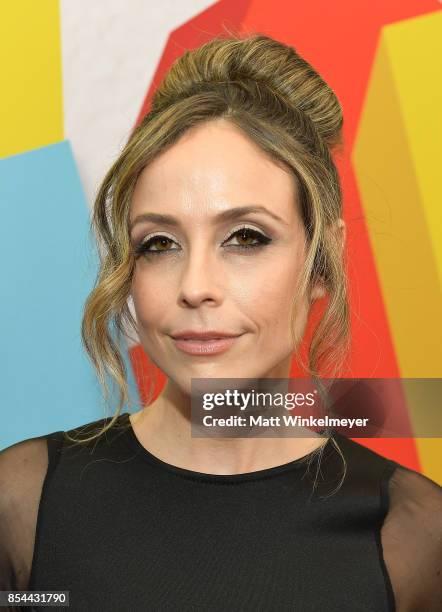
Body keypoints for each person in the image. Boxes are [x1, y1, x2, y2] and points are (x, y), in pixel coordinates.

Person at [0, 34, 441, 612]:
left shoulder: (412, 532)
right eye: (159, 243)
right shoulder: (27, 500)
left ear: (322, 262)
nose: (195, 286)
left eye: (246, 238)